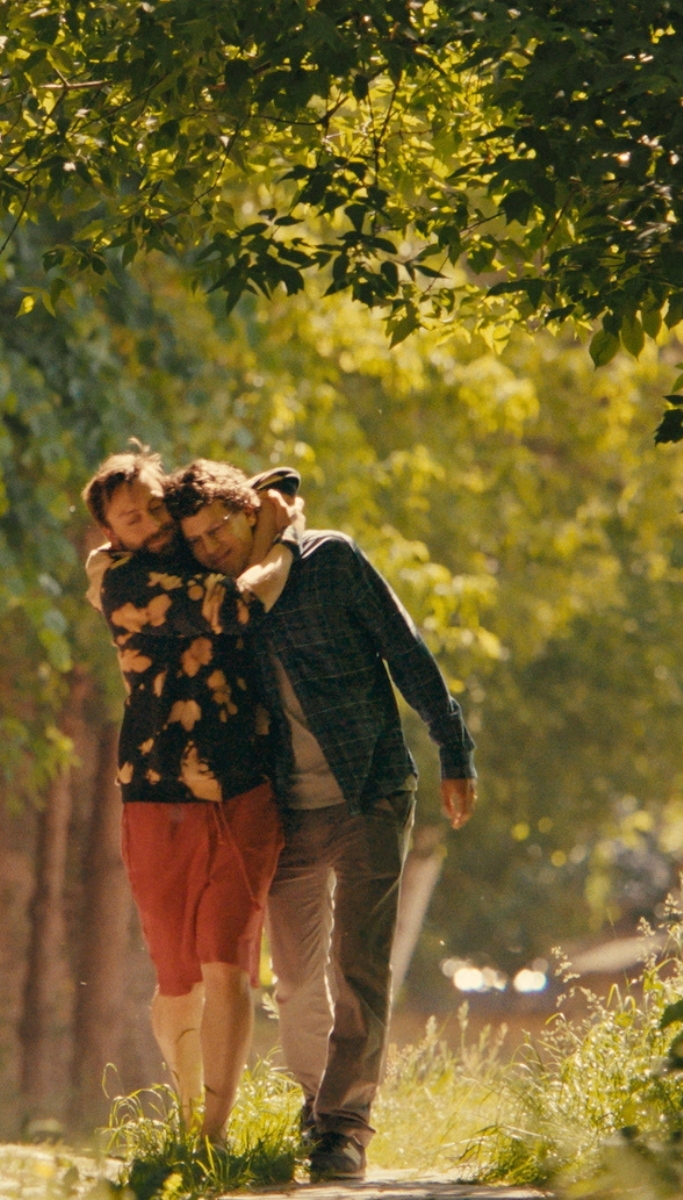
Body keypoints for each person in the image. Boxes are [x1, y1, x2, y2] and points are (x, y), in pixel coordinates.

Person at [166, 458, 478, 1182]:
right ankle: (317, 1104)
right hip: (284, 809)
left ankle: (343, 1128)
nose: (212, 546)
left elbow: (406, 650)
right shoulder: (222, 599)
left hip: (369, 786)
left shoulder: (330, 561)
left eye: (221, 528)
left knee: (357, 965)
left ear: (250, 511)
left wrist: (453, 747)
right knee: (297, 979)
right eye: (199, 540)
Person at [77, 446, 302, 1145]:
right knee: (177, 976)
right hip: (158, 791)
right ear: (111, 533)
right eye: (130, 518)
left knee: (230, 961)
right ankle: (184, 1113)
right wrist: (286, 546)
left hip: (243, 784)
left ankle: (214, 1129)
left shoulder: (207, 550)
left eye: (152, 506)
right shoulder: (125, 582)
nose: (149, 524)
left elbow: (268, 490)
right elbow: (235, 610)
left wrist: (269, 517)